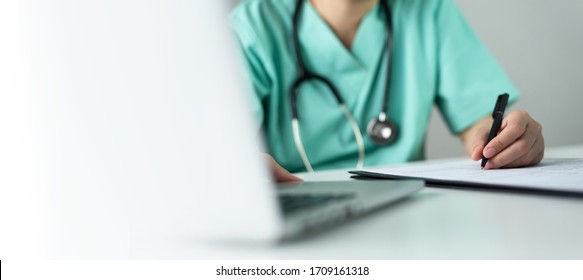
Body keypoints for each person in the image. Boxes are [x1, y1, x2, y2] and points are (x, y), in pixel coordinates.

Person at [229, 0, 544, 181]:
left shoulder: (428, 10)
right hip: (298, 207)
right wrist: (239, 164)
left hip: (406, 207)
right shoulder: (250, 29)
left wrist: (504, 140)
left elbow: (479, 123)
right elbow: (216, 144)